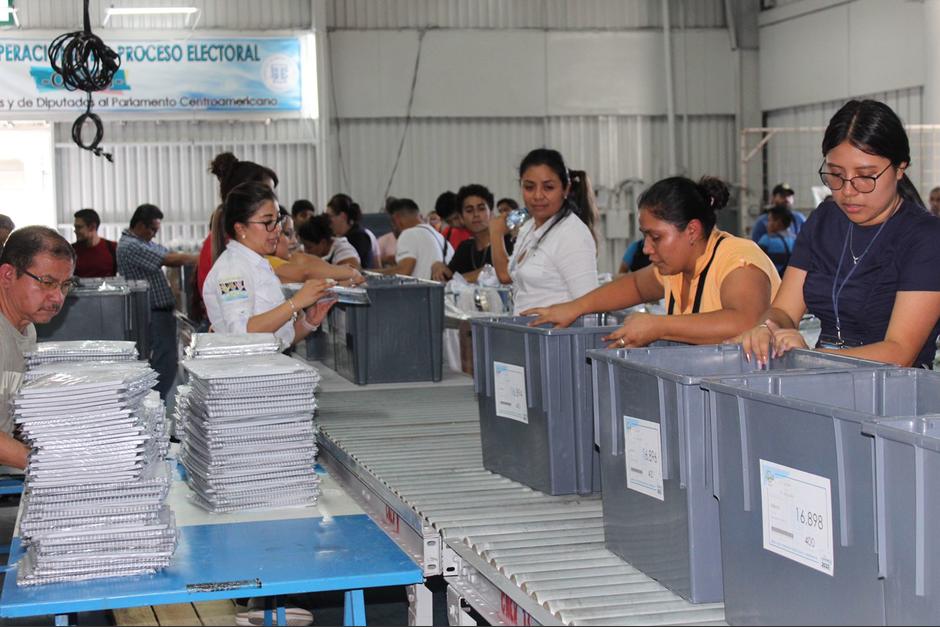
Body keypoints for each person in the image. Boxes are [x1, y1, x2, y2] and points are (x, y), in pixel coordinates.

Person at [738, 99, 940, 368]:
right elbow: (785, 309)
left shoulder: (925, 238)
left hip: (891, 394)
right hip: (825, 380)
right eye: (835, 175)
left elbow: (899, 352)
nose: (847, 190)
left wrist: (813, 357)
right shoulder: (824, 219)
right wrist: (767, 327)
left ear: (899, 169)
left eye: (865, 176)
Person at [525, 175, 781, 347]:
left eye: (656, 237)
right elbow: (635, 285)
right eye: (645, 236)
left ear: (692, 230)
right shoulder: (676, 268)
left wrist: (658, 326)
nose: (647, 248)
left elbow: (746, 321)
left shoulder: (739, 260)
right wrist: (576, 307)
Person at [203, 182, 334, 350]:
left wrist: (309, 322)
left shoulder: (258, 263)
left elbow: (277, 340)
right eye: (268, 222)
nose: (277, 229)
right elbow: (241, 334)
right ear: (241, 228)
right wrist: (295, 303)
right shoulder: (232, 270)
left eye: (277, 220)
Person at [0, 227, 77, 469]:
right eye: (47, 282)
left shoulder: (26, 328)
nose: (57, 298)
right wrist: (59, 466)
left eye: (65, 285)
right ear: (7, 275)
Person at [489, 149, 599, 314]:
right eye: (529, 187)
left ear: (566, 189)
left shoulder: (572, 235)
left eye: (548, 187)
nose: (538, 195)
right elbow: (506, 276)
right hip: (527, 331)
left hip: (557, 336)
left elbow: (590, 306)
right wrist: (496, 234)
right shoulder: (528, 227)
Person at [116, 204, 199, 399]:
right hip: (153, 313)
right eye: (152, 229)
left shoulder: (143, 243)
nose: (154, 235)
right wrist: (202, 258)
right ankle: (155, 403)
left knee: (167, 360)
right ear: (140, 225)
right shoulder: (131, 246)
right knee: (164, 362)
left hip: (161, 312)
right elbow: (169, 258)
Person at [196, 153, 279, 302]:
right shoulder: (229, 270)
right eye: (264, 191)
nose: (277, 229)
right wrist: (293, 304)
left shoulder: (254, 258)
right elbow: (239, 325)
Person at [431, 183, 513, 283]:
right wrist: (437, 265)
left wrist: (465, 278)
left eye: (481, 209)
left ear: (491, 213)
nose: (476, 214)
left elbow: (508, 272)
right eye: (469, 210)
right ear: (461, 218)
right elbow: (448, 279)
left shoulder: (509, 241)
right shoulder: (465, 248)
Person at [380, 198, 454, 280]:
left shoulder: (408, 234)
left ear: (396, 219)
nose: (392, 227)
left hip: (424, 292)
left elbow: (403, 272)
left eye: (391, 222)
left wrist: (369, 273)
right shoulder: (441, 238)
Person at [325, 194, 378, 269]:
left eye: (330, 217)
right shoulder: (339, 237)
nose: (327, 221)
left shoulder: (359, 237)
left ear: (342, 216)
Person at [297, 215, 361, 269]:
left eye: (309, 247)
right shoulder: (305, 249)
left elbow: (353, 273)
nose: (305, 251)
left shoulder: (344, 250)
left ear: (323, 243)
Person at [72, 208, 118, 278]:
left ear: (92, 227)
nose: (75, 231)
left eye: (79, 227)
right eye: (75, 227)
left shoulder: (112, 248)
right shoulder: (71, 251)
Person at [757, 204, 797, 276]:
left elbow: (757, 264)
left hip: (773, 283)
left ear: (778, 223)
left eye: (769, 220)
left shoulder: (767, 240)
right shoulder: (797, 240)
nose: (767, 224)